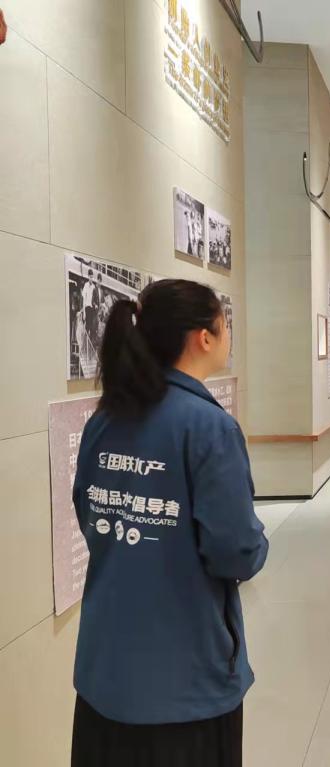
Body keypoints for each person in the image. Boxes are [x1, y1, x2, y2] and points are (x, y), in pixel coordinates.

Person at [71, 279, 269, 767]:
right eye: (225, 325)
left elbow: (87, 512)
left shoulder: (105, 417)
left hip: (104, 678)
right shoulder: (210, 427)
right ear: (204, 337)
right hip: (186, 688)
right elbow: (236, 551)